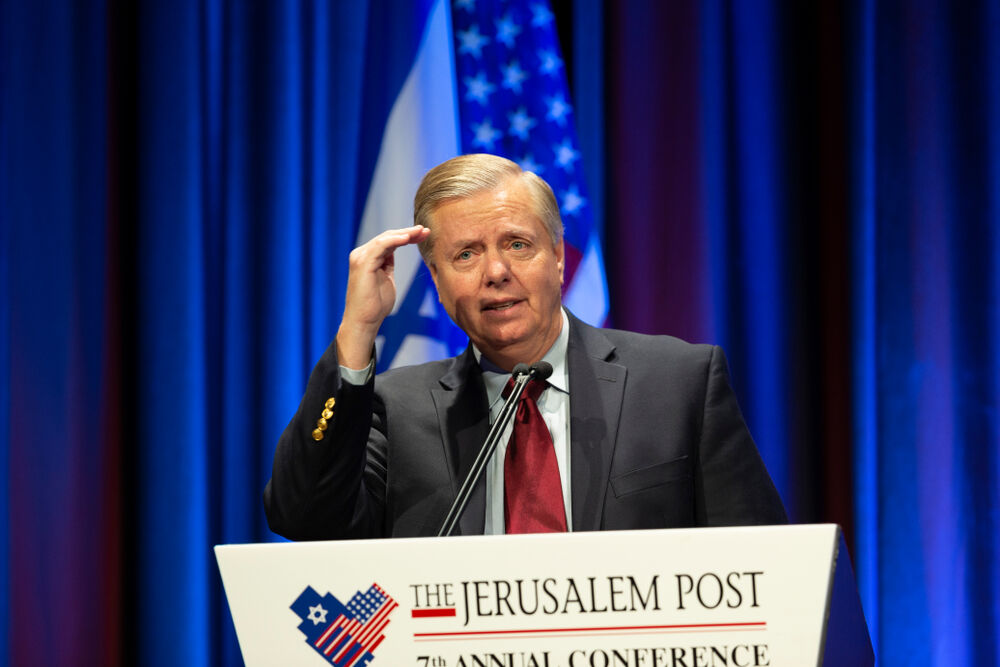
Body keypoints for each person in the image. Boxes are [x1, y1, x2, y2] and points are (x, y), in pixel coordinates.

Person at [264, 154, 787, 541]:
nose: (496, 272)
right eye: (465, 254)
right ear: (437, 280)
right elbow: (304, 518)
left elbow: (762, 566)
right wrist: (357, 332)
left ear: (558, 257)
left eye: (518, 244)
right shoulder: (394, 409)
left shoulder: (679, 383)